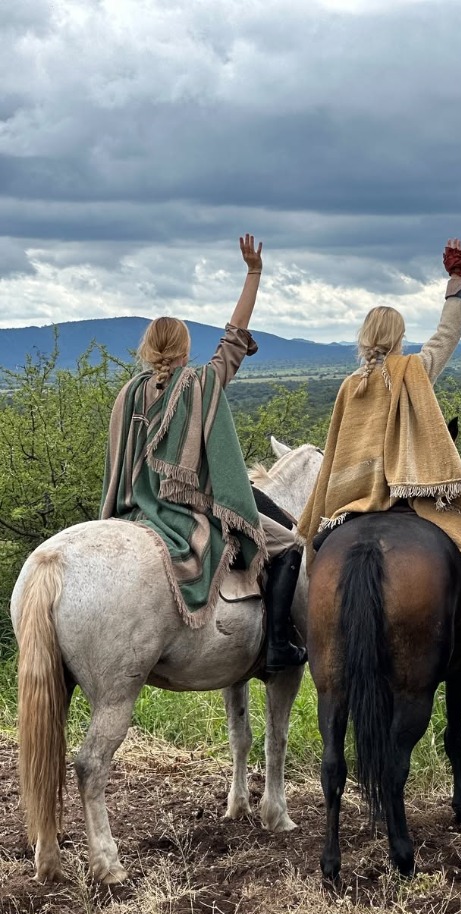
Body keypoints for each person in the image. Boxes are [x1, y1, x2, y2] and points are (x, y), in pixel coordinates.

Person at [101, 234, 307, 670]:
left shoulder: (129, 394)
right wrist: (253, 273)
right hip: (188, 514)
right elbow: (234, 338)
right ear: (184, 349)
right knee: (289, 544)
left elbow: (119, 469)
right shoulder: (199, 385)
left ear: (147, 350)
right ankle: (277, 646)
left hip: (134, 512)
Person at [298, 239, 461, 577]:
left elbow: (334, 454)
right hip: (411, 493)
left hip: (352, 498)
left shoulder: (350, 385)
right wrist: (455, 286)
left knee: (290, 560)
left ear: (364, 338)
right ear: (400, 337)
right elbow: (447, 335)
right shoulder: (414, 371)